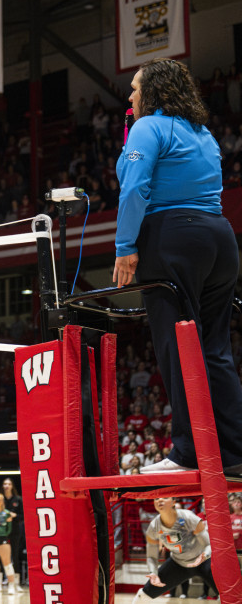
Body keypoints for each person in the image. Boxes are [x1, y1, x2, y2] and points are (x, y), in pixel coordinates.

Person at [113, 58, 242, 476]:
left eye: (135, 88)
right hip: (220, 240)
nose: (130, 96)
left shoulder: (149, 127)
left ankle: (187, 454)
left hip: (173, 238)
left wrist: (125, 246)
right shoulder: (203, 133)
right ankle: (237, 453)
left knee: (175, 346)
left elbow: (134, 187)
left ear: (152, 92)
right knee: (215, 351)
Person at [132, 497, 214, 602]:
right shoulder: (153, 527)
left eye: (165, 498)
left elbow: (208, 545)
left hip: (204, 561)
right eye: (156, 499)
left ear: (173, 502)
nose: (160, 501)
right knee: (145, 594)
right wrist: (153, 573)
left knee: (229, 593)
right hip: (178, 563)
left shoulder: (188, 517)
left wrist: (205, 555)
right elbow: (152, 556)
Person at [0, 477, 25, 588]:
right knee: (2, 556)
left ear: (12, 486)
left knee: (14, 555)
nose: (7, 486)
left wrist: (15, 516)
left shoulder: (18, 499)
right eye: (5, 484)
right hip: (1, 531)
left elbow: (24, 515)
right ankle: (0, 580)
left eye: (9, 484)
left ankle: (15, 581)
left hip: (15, 531)